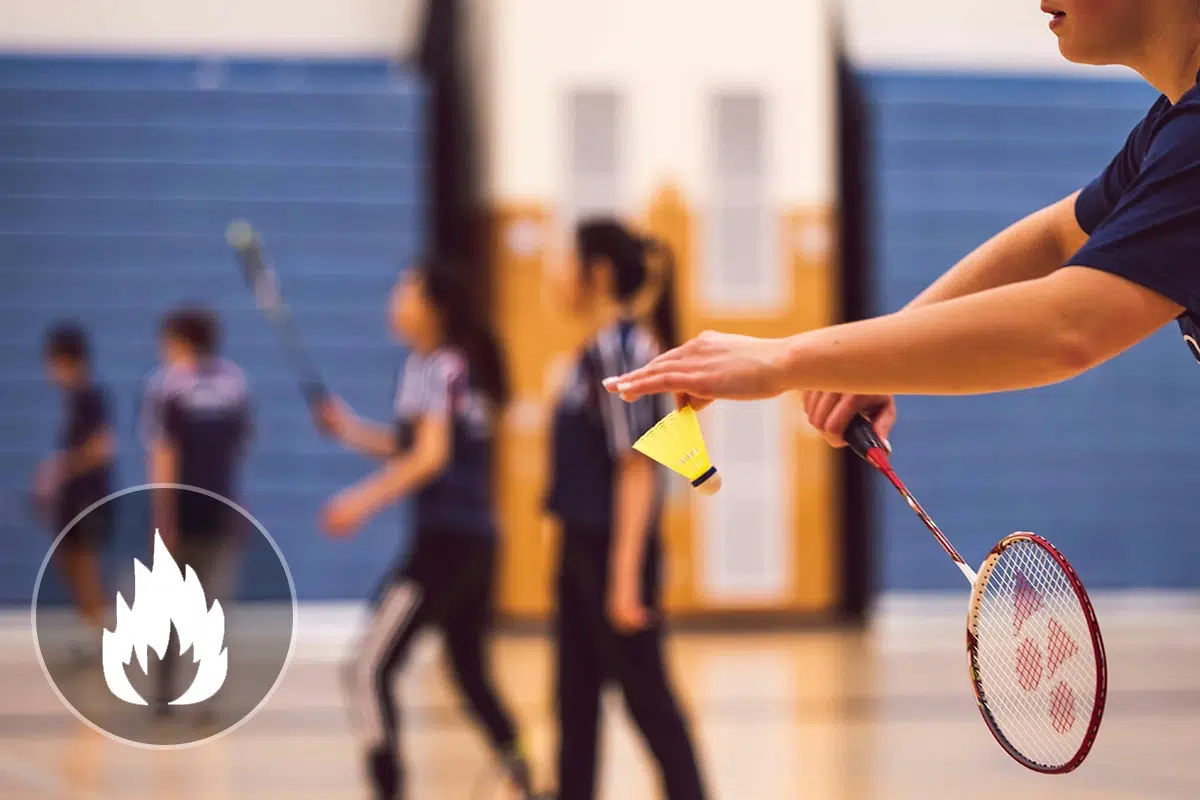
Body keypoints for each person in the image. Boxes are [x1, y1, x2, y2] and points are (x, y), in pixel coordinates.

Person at [605, 0, 1200, 448]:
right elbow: (1055, 237)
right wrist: (866, 360)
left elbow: (1069, 326)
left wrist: (782, 359)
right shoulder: (1170, 129)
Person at [315, 260, 538, 800]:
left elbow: (430, 458)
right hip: (478, 542)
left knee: (367, 668)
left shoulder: (435, 367)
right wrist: (349, 431)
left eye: (404, 291)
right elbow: (417, 447)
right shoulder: (456, 367)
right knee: (470, 674)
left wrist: (360, 501)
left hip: (445, 547)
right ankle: (527, 777)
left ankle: (390, 790)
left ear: (433, 307)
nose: (394, 300)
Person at [545, 219, 708, 800]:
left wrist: (622, 581)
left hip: (613, 554)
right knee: (573, 704)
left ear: (600, 272)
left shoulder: (623, 349)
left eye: (567, 260)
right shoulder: (590, 351)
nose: (556, 275)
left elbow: (637, 468)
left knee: (650, 704)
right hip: (580, 550)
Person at [140, 306, 253, 720]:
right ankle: (207, 697)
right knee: (212, 605)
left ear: (179, 341)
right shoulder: (235, 383)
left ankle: (165, 695)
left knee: (168, 604)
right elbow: (238, 451)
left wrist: (162, 516)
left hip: (182, 510)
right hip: (220, 507)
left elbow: (164, 454)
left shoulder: (166, 385)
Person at [36, 322, 115, 654]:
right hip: (73, 497)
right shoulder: (73, 401)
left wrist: (58, 469)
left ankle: (104, 634)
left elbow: (102, 447)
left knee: (84, 564)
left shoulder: (90, 398)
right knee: (67, 560)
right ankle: (90, 627)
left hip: (88, 497)